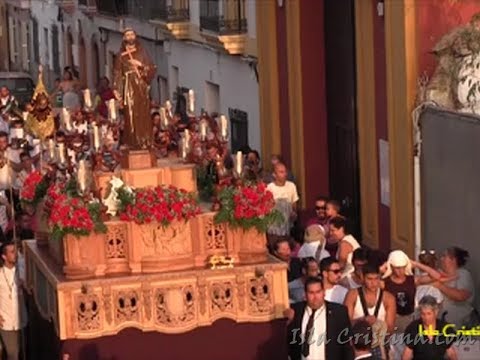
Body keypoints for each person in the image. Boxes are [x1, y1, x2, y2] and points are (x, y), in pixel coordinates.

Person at [285, 276, 354, 360]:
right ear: (305, 294)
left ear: (323, 292)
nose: (315, 297)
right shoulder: (296, 311)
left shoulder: (338, 312)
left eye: (318, 292)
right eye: (311, 293)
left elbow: (346, 345)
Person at [113, 28, 156, 149]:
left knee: (143, 114)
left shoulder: (142, 52)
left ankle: (145, 141)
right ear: (124, 38)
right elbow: (117, 73)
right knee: (130, 114)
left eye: (132, 34)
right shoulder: (120, 56)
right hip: (128, 86)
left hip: (141, 87)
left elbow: (151, 69)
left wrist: (140, 65)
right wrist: (117, 89)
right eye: (127, 35)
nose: (130, 37)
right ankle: (133, 142)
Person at [344, 264, 396, 360]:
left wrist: (378, 324)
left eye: (376, 279)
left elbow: (390, 329)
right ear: (363, 278)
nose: (374, 283)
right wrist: (362, 320)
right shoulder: (352, 295)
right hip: (358, 346)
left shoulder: (388, 298)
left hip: (380, 345)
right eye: (370, 279)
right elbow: (345, 323)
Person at [402, 295, 458, 360]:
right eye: (423, 314)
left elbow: (451, 352)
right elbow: (407, 354)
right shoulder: (413, 328)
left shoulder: (445, 328)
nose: (426, 317)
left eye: (429, 313)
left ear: (436, 312)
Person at [435, 247, 476, 327]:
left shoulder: (463, 274)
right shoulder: (438, 275)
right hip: (441, 325)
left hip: (461, 325)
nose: (441, 259)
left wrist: (439, 285)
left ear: (453, 259)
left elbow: (461, 296)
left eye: (444, 256)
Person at [0, 242, 27, 360]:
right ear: (4, 256)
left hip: (21, 319)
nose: (15, 254)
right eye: (12, 252)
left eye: (16, 251)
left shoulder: (21, 270)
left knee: (21, 352)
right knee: (13, 354)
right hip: (6, 321)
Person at [267, 162, 299, 236]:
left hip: (288, 224)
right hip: (274, 224)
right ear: (274, 175)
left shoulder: (291, 186)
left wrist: (294, 213)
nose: (285, 174)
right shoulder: (269, 188)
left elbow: (294, 204)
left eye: (285, 171)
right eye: (281, 172)